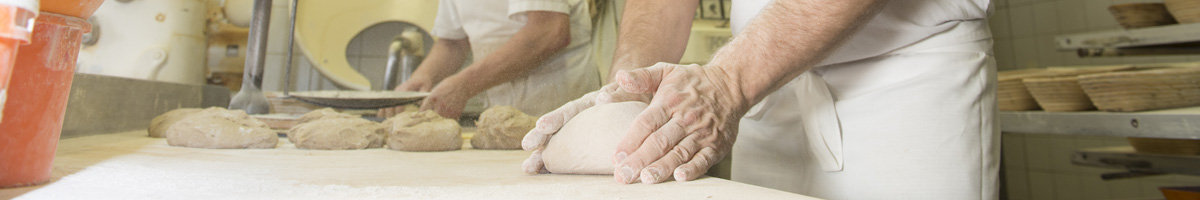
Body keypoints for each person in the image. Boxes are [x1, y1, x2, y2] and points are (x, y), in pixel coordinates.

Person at [520, 0, 999, 199]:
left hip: (903, 88)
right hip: (765, 95)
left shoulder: (731, 84)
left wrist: (729, 82)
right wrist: (627, 88)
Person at [377, 0, 600, 119]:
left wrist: (463, 85)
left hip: (558, 112)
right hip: (499, 117)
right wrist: (421, 78)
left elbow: (549, 30)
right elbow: (453, 42)